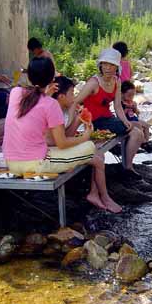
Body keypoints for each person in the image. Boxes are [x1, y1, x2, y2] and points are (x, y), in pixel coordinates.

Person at [3, 58, 96, 182]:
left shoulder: (15, 92)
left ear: (29, 77)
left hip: (11, 162)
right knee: (90, 147)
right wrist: (85, 137)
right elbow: (61, 143)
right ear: (52, 78)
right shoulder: (51, 104)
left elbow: (34, 107)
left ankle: (65, 166)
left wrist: (45, 95)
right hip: (35, 164)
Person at [48, 76, 122, 213]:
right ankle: (104, 197)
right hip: (50, 152)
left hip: (55, 148)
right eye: (72, 93)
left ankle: (95, 194)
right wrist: (85, 136)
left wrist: (77, 120)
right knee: (98, 158)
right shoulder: (53, 110)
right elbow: (61, 142)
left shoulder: (57, 107)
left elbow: (64, 136)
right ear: (62, 96)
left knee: (98, 154)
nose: (74, 97)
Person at [74, 48, 144, 180]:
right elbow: (75, 102)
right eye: (104, 64)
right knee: (136, 130)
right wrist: (72, 125)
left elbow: (117, 105)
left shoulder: (116, 81)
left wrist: (124, 120)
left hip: (108, 119)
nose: (107, 68)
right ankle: (126, 167)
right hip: (94, 122)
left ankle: (128, 167)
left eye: (111, 65)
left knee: (136, 131)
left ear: (117, 67)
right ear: (100, 65)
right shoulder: (93, 83)